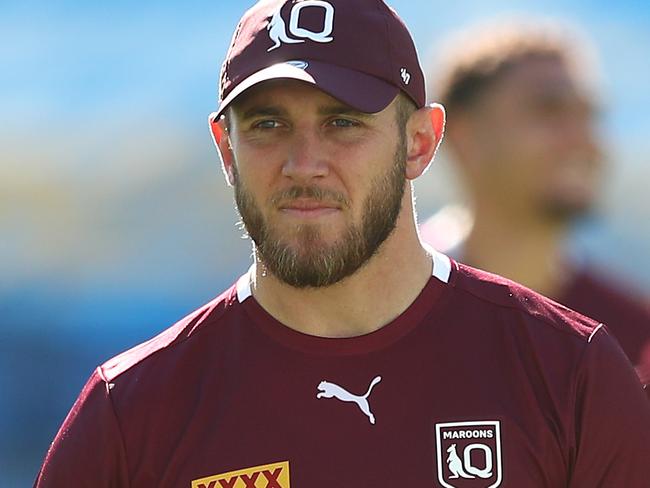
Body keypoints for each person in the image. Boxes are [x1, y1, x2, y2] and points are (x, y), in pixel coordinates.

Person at [35, 1, 650, 487]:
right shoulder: (131, 413)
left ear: (419, 142)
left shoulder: (569, 371)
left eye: (343, 122)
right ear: (226, 148)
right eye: (268, 125)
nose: (305, 163)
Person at [420, 18, 650, 394]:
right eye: (548, 110)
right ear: (462, 135)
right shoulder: (387, 303)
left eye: (589, 115)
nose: (584, 140)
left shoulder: (630, 335)